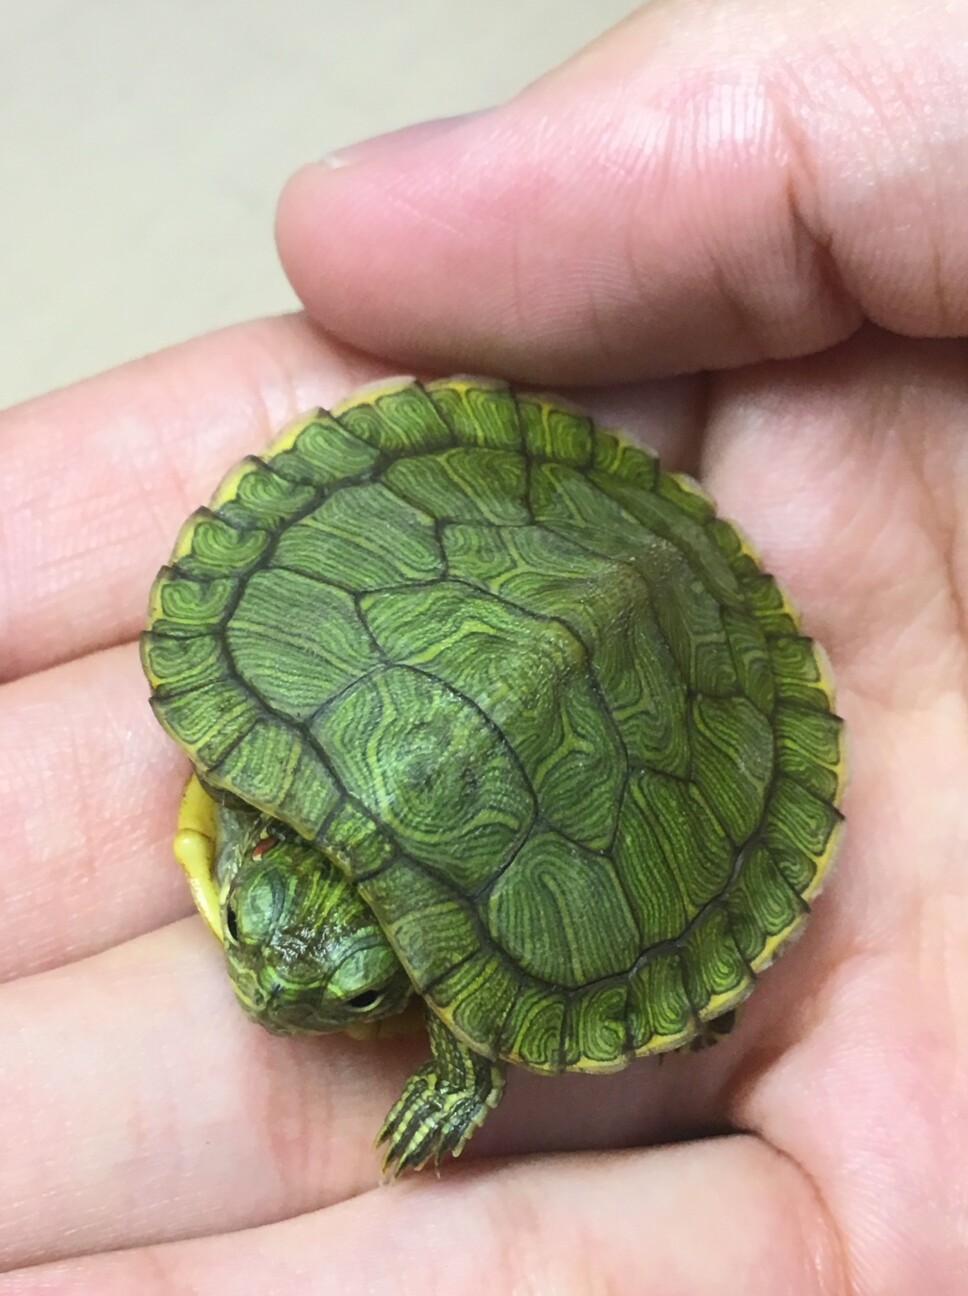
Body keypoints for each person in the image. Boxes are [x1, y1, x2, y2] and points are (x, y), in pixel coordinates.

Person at [2, 0, 966, 1289]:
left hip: (629, 624)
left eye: (357, 995)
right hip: (503, 543)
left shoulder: (253, 738)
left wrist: (474, 1064)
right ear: (255, 852)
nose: (276, 991)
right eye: (277, 944)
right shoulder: (241, 748)